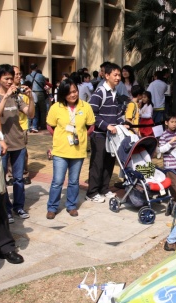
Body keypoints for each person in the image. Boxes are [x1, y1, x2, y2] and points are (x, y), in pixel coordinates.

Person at [46, 78, 94, 219]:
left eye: (75, 91)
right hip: (60, 150)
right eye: (69, 93)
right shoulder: (56, 107)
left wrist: (84, 135)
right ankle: (52, 207)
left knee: (74, 181)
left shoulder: (85, 106)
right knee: (58, 181)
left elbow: (91, 125)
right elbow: (50, 125)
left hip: (78, 150)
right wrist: (57, 136)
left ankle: (71, 205)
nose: (73, 95)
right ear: (63, 94)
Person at [0, 64, 34, 222]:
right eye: (6, 78)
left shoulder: (17, 97)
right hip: (1, 144)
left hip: (18, 143)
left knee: (18, 178)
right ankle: (6, 209)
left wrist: (31, 98)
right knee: (1, 179)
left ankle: (19, 207)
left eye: (12, 78)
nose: (10, 81)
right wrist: (6, 96)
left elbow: (29, 113)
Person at [86, 63, 124, 203]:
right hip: (99, 135)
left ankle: (104, 189)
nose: (118, 78)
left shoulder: (116, 93)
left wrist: (122, 123)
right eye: (115, 75)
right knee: (98, 163)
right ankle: (92, 192)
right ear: (106, 76)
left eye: (119, 75)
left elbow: (118, 113)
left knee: (109, 162)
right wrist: (107, 126)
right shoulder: (100, 92)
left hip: (112, 136)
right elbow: (91, 115)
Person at [158, 114, 176, 206]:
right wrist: (170, 142)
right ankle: (175, 201)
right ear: (166, 123)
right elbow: (161, 150)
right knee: (173, 184)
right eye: (172, 122)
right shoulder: (164, 135)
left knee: (174, 182)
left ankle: (164, 195)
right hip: (169, 163)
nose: (174, 124)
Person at [25, 63, 47, 131]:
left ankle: (33, 125)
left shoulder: (27, 76)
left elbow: (26, 84)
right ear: (36, 67)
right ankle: (42, 124)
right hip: (39, 93)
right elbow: (44, 83)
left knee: (33, 109)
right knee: (43, 110)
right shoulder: (40, 76)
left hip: (30, 92)